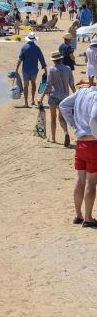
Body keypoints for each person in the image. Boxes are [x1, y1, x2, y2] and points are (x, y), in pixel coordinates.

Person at [59, 87, 97, 227]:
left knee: (80, 180)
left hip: (80, 142)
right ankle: (88, 217)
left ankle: (78, 214)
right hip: (93, 143)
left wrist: (73, 124)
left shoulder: (82, 92)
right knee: (91, 182)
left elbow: (63, 105)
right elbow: (94, 119)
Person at [38, 51, 75, 144]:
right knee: (62, 118)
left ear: (54, 61)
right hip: (64, 96)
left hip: (53, 96)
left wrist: (41, 97)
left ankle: (53, 138)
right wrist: (76, 95)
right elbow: (71, 84)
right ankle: (66, 132)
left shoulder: (52, 69)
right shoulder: (68, 68)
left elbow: (48, 85)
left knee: (53, 117)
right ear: (61, 59)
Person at [16, 32, 47, 107]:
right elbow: (42, 59)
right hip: (34, 70)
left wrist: (16, 69)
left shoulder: (24, 47)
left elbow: (20, 59)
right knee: (33, 84)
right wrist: (45, 70)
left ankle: (26, 102)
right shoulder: (37, 48)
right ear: (34, 39)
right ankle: (32, 100)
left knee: (26, 86)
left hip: (25, 69)